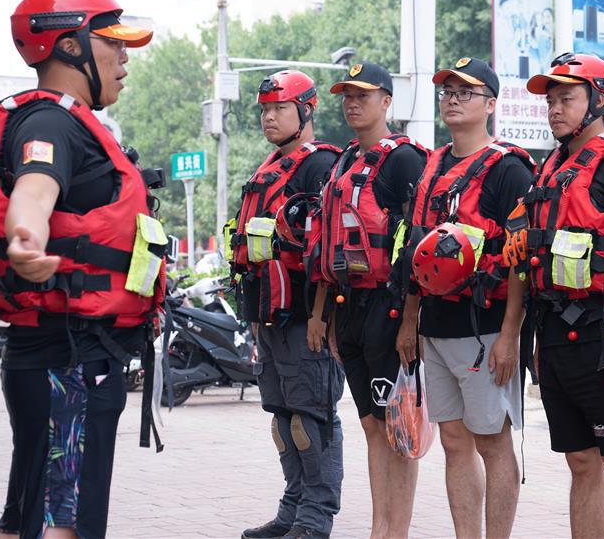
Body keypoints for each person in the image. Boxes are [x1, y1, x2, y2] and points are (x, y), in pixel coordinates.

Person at [0, 0, 164, 538]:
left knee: (32, 511)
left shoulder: (54, 120)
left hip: (54, 349)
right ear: (68, 46)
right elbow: (34, 193)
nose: (124, 58)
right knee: (65, 520)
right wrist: (25, 239)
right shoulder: (51, 124)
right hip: (72, 359)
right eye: (113, 43)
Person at [504, 52, 604, 538]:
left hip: (603, 337)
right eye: (550, 100)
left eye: (566, 98)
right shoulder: (550, 167)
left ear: (601, 101)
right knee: (580, 460)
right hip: (555, 334)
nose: (554, 108)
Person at [395, 57, 536, 539]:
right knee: (454, 442)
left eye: (466, 92)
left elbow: (519, 259)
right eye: (447, 92)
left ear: (491, 105)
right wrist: (408, 319)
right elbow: (416, 250)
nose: (453, 99)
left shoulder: (509, 169)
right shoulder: (431, 166)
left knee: (492, 442)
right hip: (434, 326)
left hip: (486, 328)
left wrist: (511, 335)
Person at [311, 62, 428, 539]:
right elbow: (327, 243)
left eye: (363, 94)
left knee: (398, 429)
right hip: (348, 306)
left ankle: (393, 531)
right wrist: (322, 314)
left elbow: (420, 242)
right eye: (346, 95)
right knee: (371, 427)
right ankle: (381, 526)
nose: (352, 102)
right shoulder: (342, 161)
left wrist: (411, 320)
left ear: (387, 101)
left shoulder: (404, 159)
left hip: (390, 306)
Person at [229, 70, 344, 539]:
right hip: (267, 316)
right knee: (282, 418)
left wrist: (321, 316)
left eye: (278, 108)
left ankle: (316, 518)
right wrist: (253, 318)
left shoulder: (321, 166)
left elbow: (329, 249)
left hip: (304, 317)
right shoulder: (268, 169)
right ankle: (293, 508)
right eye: (264, 109)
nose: (268, 117)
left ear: (306, 111)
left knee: (311, 416)